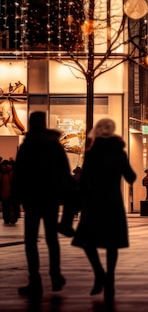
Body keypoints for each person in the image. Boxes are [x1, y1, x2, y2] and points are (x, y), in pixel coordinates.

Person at [71, 118, 136, 304]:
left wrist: (79, 202)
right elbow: (131, 176)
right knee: (112, 244)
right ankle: (110, 280)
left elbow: (84, 182)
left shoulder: (92, 153)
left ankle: (100, 274)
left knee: (87, 240)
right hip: (114, 202)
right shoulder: (119, 153)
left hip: (95, 202)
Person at [12, 111, 73, 298]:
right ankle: (55, 275)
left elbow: (19, 173)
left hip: (32, 198)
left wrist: (16, 199)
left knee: (31, 240)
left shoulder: (27, 146)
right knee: (51, 239)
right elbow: (64, 171)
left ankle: (35, 280)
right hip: (50, 197)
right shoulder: (53, 145)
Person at [0, 159, 19, 225]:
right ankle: (10, 219)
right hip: (6, 195)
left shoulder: (4, 174)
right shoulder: (11, 173)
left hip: (9, 195)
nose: (5, 167)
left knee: (7, 209)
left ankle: (9, 220)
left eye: (6, 165)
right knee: (8, 209)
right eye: (4, 165)